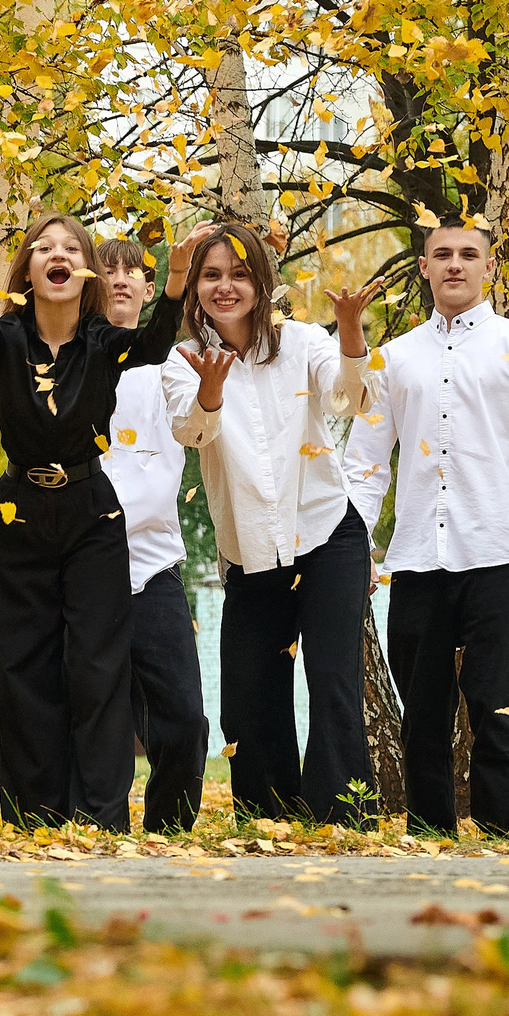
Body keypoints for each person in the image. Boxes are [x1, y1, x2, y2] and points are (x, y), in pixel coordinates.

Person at [0, 174, 208, 831]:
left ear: (80, 272)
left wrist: (174, 280)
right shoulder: (5, 343)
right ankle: (34, 819)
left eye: (70, 247)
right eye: (43, 247)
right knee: (27, 668)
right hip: (23, 514)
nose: (58, 254)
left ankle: (103, 818)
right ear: (29, 268)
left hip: (95, 516)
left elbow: (151, 346)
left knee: (98, 673)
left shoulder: (106, 346)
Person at [343, 221, 509, 837]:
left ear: (488, 267)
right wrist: (355, 551)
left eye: (468, 255)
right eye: (442, 255)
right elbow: (365, 464)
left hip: (496, 554)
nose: (455, 265)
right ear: (424, 267)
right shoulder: (393, 358)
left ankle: (505, 832)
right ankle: (431, 832)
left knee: (498, 705)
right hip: (418, 559)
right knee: (422, 709)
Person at [164, 224, 382, 827]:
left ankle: (341, 819)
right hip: (250, 549)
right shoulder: (183, 360)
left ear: (262, 283)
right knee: (251, 692)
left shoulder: (303, 341)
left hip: (325, 533)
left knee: (334, 680)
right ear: (195, 289)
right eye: (211, 276)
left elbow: (349, 399)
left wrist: (352, 334)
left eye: (238, 275)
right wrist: (211, 391)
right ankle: (268, 821)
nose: (225, 287)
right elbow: (191, 432)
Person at [92, 237, 209, 834]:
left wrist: (210, 395)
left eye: (131, 272)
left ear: (148, 286)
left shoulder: (176, 363)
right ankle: (97, 830)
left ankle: (168, 831)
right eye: (106, 270)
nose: (119, 280)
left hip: (155, 564)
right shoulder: (68, 356)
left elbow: (197, 426)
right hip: (83, 565)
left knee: (184, 718)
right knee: (98, 720)